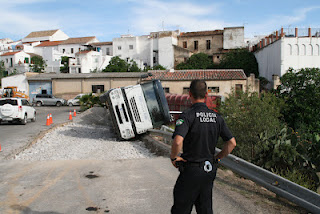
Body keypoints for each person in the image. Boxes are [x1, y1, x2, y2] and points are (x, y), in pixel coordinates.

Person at [170, 79, 236, 214]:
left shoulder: (187, 116)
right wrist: (217, 158)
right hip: (209, 171)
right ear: (206, 95)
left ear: (189, 94)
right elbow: (232, 143)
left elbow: (177, 141)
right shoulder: (217, 117)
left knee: (180, 209)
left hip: (191, 170)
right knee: (205, 209)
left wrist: (174, 157)